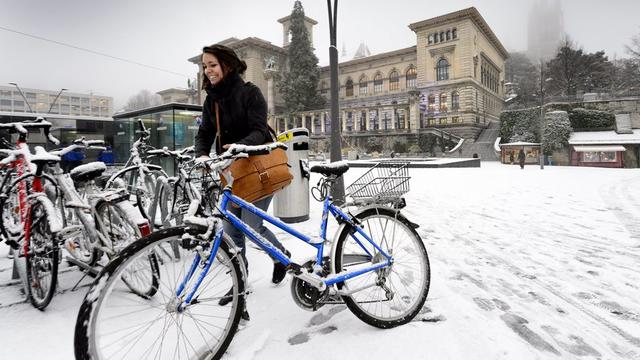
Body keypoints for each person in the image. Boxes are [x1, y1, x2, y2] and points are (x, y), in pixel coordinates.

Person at [194, 45, 290, 316]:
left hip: (257, 169)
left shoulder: (251, 93)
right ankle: (240, 281)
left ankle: (281, 257)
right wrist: (201, 154)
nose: (207, 70)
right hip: (230, 173)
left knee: (252, 225)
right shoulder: (211, 100)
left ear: (227, 65)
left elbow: (260, 131)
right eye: (204, 66)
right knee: (231, 230)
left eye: (212, 64)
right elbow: (204, 133)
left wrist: (239, 146)